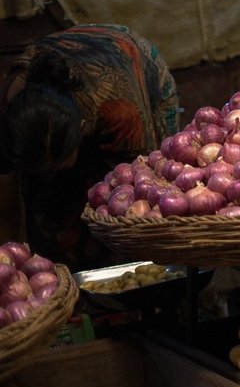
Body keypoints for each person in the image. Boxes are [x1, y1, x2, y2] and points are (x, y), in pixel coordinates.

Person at [0, 24, 179, 269]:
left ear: (83, 128)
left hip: (132, 63)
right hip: (68, 72)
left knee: (123, 200)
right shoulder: (10, 109)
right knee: (47, 211)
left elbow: (142, 180)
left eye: (58, 165)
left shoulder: (121, 114)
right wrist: (10, 263)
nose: (49, 176)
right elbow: (6, 200)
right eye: (40, 168)